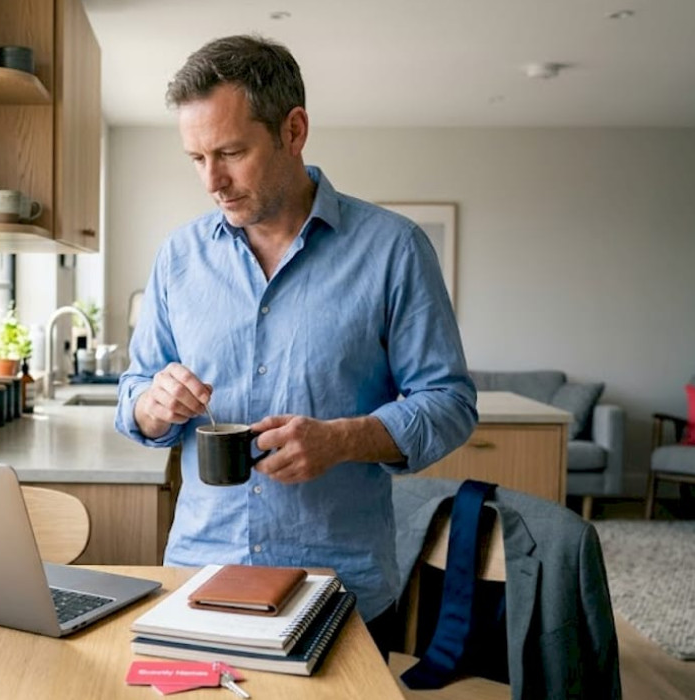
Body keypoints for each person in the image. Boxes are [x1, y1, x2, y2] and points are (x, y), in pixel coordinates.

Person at [113, 35, 478, 652]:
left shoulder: (393, 249)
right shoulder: (179, 257)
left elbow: (449, 403)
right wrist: (152, 403)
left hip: (340, 588)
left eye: (230, 152)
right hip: (199, 576)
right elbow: (134, 394)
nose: (213, 181)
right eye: (196, 158)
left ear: (294, 129)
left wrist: (343, 439)